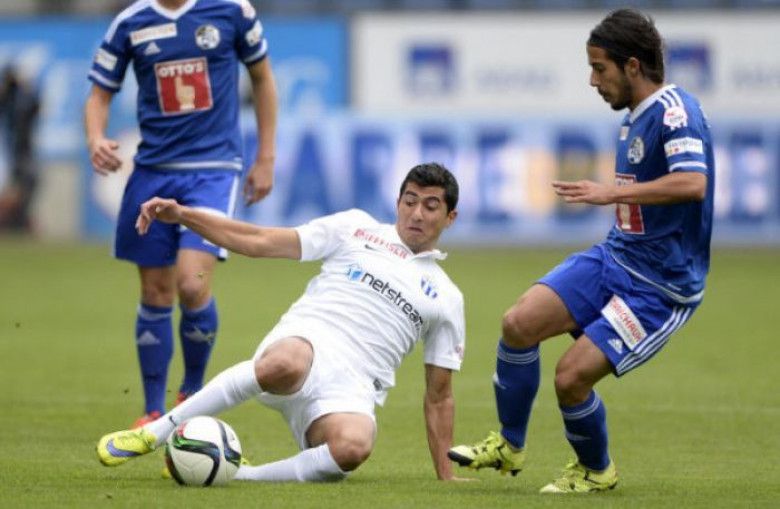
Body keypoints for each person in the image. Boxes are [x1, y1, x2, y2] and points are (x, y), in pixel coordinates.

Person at [448, 8, 714, 494]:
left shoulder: (676, 112)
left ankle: (596, 470)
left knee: (570, 378)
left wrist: (611, 193)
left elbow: (693, 183)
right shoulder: (635, 118)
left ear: (632, 65)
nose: (593, 81)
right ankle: (509, 445)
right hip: (615, 258)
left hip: (660, 288)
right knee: (518, 323)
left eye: (599, 68)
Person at [96, 163, 469, 482]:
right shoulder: (356, 228)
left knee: (354, 447)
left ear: (450, 217)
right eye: (410, 201)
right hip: (307, 341)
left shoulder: (447, 297)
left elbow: (440, 395)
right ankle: (154, 433)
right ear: (398, 202)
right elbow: (259, 240)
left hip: (352, 389)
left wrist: (446, 475)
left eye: (430, 206)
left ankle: (239, 474)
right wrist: (184, 216)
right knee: (286, 363)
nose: (417, 214)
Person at [84, 0, 278, 428]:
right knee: (156, 291)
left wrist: (265, 156)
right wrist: (95, 137)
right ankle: (154, 411)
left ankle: (191, 396)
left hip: (212, 170)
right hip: (153, 170)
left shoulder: (232, 11)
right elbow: (99, 93)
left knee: (192, 283)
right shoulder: (130, 23)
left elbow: (262, 77)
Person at [0, 65, 41, 232]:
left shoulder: (23, 103)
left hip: (22, 152)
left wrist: (25, 87)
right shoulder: (8, 102)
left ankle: (19, 221)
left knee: (27, 185)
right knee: (18, 188)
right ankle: (14, 221)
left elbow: (34, 106)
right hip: (11, 154)